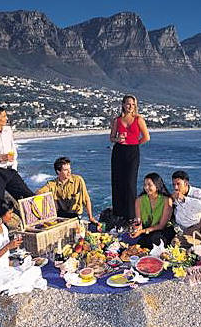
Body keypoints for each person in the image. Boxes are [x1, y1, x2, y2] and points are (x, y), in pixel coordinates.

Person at [109, 95, 150, 227]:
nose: (130, 106)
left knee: (130, 183)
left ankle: (131, 215)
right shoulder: (117, 120)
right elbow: (111, 137)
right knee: (117, 182)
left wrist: (134, 143)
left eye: (133, 104)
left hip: (132, 152)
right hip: (118, 151)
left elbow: (146, 137)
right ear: (123, 105)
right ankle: (118, 213)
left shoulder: (139, 119)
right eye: (128, 104)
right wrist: (118, 140)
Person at [35, 157, 101, 229]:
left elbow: (86, 199)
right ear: (58, 172)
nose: (69, 171)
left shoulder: (78, 180)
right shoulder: (52, 184)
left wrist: (90, 217)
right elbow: (39, 193)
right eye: (66, 170)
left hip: (75, 216)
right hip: (60, 216)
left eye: (70, 169)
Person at [171, 170, 201, 248]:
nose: (175, 187)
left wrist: (185, 199)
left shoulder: (197, 192)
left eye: (178, 184)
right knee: (175, 242)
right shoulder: (174, 197)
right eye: (174, 184)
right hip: (188, 232)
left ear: (186, 183)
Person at [130, 173, 175, 249]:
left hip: (162, 230)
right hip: (146, 230)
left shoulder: (167, 200)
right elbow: (139, 221)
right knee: (135, 242)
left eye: (149, 185)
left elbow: (161, 226)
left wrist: (142, 231)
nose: (146, 187)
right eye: (145, 185)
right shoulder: (139, 200)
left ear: (157, 186)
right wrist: (137, 228)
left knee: (154, 240)